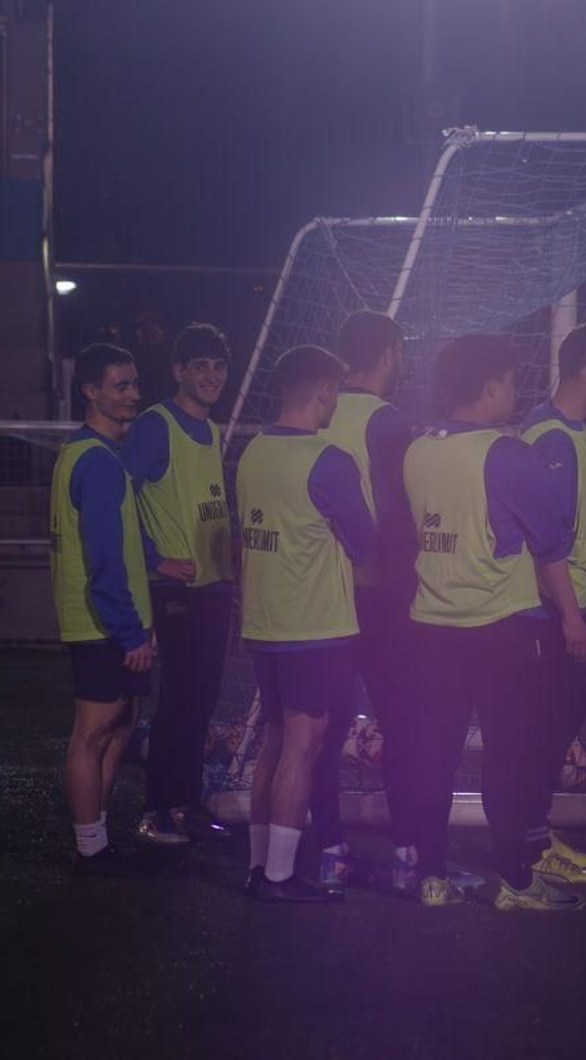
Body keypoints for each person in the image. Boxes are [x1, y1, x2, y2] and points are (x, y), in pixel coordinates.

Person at [401, 334, 585, 913]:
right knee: (509, 757)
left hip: (430, 625)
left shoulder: (417, 450)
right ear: (489, 388)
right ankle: (517, 882)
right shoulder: (506, 453)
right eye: (508, 380)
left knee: (434, 753)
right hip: (499, 630)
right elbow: (550, 547)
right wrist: (574, 618)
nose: (514, 390)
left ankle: (431, 876)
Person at [236, 345, 376, 903]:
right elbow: (364, 544)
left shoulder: (252, 452)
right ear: (322, 390)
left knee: (274, 742)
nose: (335, 401)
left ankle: (259, 866)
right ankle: (279, 878)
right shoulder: (330, 459)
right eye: (334, 391)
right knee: (303, 742)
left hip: (265, 621)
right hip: (312, 626)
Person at [308, 310, 422, 892]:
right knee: (401, 721)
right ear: (389, 353)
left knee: (321, 728)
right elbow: (401, 518)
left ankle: (328, 847)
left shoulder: (314, 414)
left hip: (321, 593)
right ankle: (407, 853)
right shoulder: (389, 421)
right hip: (380, 596)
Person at [516, 322, 586, 887]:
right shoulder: (552, 437)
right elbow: (546, 540)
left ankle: (534, 833)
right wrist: (570, 615)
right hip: (545, 613)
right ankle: (531, 843)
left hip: (550, 609)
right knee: (546, 723)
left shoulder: (561, 428)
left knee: (559, 718)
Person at [121, 323, 235, 846]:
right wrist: (154, 559)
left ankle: (187, 804)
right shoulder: (154, 426)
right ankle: (155, 811)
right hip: (176, 592)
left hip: (213, 589)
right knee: (178, 701)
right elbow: (118, 501)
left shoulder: (212, 430)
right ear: (178, 371)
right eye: (201, 366)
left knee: (202, 700)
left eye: (219, 367)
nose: (211, 376)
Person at [52, 344, 157, 875]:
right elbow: (102, 558)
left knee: (119, 724)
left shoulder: (93, 454)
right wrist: (129, 632)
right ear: (90, 390)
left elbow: (120, 541)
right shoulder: (95, 461)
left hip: (108, 622)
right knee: (92, 733)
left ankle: (97, 838)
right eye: (120, 385)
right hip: (102, 625)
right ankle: (90, 847)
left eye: (135, 383)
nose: (134, 394)